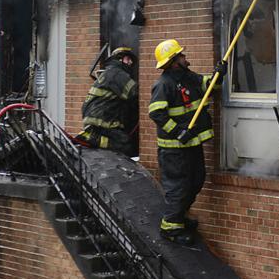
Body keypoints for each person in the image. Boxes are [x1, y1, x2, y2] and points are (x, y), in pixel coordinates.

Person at [148, 39, 226, 243]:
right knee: (179, 187)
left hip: (192, 145)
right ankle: (170, 227)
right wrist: (178, 132)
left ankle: (179, 217)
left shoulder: (188, 77)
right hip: (174, 150)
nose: (185, 58)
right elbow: (157, 114)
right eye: (181, 55)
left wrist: (219, 74)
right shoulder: (164, 85)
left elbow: (209, 86)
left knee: (197, 179)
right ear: (174, 61)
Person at [76, 46, 139, 157]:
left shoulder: (109, 72)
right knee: (124, 145)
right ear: (119, 59)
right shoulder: (117, 74)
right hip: (101, 121)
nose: (130, 62)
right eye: (128, 59)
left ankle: (94, 139)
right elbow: (135, 93)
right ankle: (91, 138)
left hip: (97, 119)